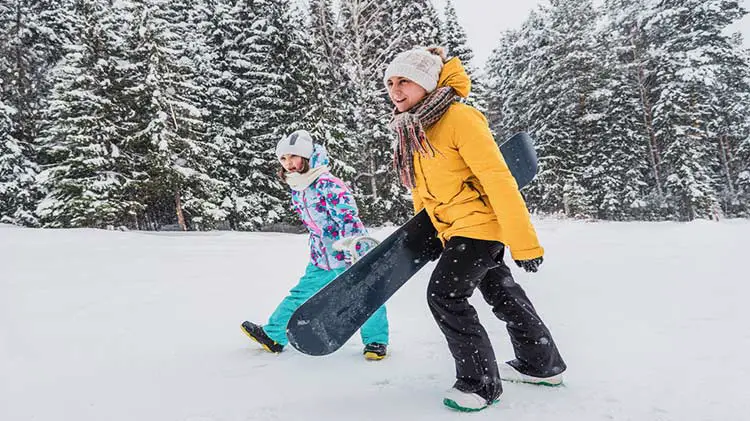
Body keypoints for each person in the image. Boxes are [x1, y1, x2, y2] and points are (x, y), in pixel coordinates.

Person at [383, 46, 566, 411]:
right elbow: (425, 192)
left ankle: (480, 384)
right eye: (390, 82)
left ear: (427, 82)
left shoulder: (459, 118)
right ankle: (540, 363)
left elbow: (498, 180)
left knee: (445, 296)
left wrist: (525, 244)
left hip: (479, 228)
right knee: (501, 292)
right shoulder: (416, 127)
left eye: (404, 80)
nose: (395, 89)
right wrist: (431, 234)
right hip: (455, 230)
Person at [241, 130, 389, 360]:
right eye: (283, 158)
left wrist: (353, 250)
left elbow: (349, 217)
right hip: (321, 256)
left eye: (293, 157)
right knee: (301, 293)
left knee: (364, 294)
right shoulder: (299, 186)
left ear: (307, 157)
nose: (288, 163)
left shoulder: (326, 183)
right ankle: (273, 335)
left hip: (349, 251)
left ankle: (376, 341)